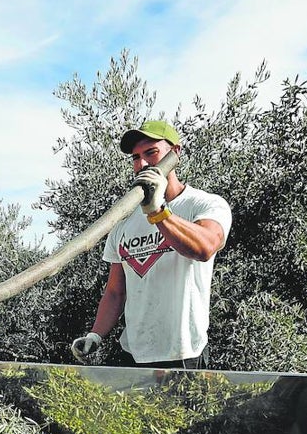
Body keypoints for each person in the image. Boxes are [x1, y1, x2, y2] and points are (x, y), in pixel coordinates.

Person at [70, 120, 231, 369]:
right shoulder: (124, 223)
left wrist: (158, 213)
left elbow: (205, 247)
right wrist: (95, 335)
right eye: (135, 157)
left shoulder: (204, 205)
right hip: (133, 355)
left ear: (175, 153)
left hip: (184, 353)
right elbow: (115, 291)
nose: (142, 164)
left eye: (151, 152)